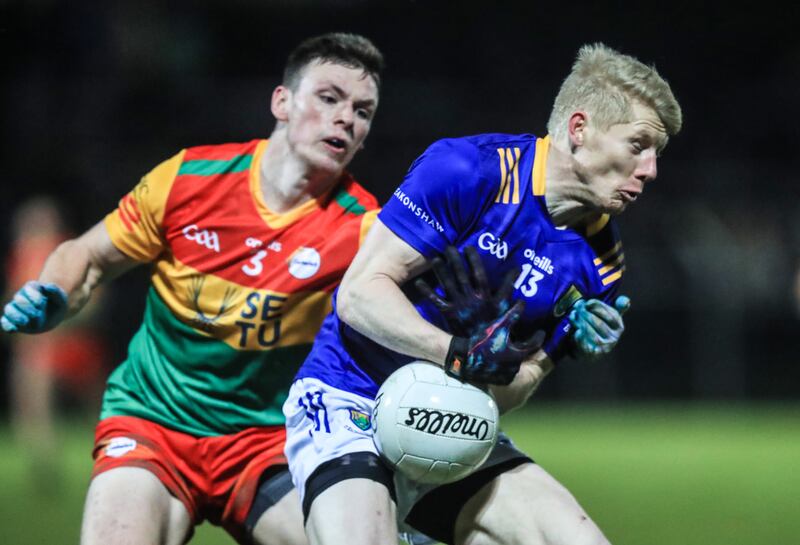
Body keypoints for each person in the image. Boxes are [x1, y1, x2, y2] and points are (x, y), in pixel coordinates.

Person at [283, 42, 682, 545]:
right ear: (579, 130)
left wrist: (533, 359)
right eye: (638, 145)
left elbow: (516, 385)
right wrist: (457, 353)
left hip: (455, 421)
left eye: (656, 154)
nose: (649, 170)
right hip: (350, 395)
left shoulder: (601, 260)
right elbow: (360, 294)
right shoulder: (471, 171)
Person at [1, 33, 384, 545]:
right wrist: (55, 291)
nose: (346, 119)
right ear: (282, 102)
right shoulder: (188, 179)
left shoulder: (364, 228)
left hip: (265, 443)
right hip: (153, 424)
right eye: (330, 98)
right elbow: (88, 256)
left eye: (363, 111)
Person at [5, 196, 109, 488]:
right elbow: (15, 294)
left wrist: (66, 320)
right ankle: (43, 460)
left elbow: (95, 294)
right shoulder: (22, 255)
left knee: (96, 402)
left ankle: (114, 449)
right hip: (38, 346)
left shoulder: (67, 249)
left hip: (73, 341)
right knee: (30, 392)